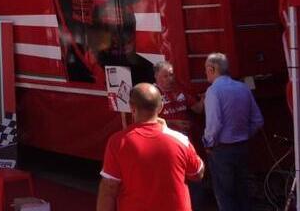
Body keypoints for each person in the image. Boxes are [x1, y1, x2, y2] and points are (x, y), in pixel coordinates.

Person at [97, 83, 204, 211]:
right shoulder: (180, 140)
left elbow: (109, 189)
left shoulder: (118, 142)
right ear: (161, 107)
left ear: (132, 107)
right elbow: (198, 173)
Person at [203, 53, 264, 211]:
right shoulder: (242, 87)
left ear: (212, 69)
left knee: (225, 196)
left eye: (206, 69)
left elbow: (214, 124)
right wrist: (244, 135)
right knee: (243, 193)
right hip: (242, 146)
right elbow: (258, 120)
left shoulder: (213, 91)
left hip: (222, 149)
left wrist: (208, 142)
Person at [154, 60, 204, 136]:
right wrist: (173, 122)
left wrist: (205, 96)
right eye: (165, 76)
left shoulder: (179, 90)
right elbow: (149, 120)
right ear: (156, 76)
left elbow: (198, 109)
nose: (170, 79)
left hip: (184, 138)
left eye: (171, 75)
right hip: (165, 138)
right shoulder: (152, 93)